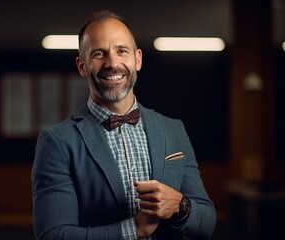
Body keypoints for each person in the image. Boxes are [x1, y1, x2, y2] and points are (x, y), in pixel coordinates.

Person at [31, 9, 216, 240]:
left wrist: (180, 206)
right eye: (99, 53)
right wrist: (133, 229)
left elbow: (207, 221)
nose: (112, 63)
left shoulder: (173, 129)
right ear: (82, 66)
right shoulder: (57, 141)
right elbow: (52, 235)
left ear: (137, 59)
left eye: (122, 51)